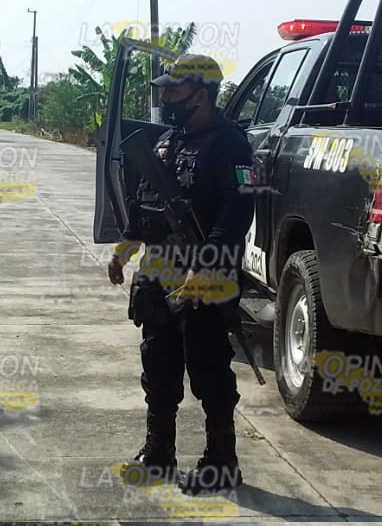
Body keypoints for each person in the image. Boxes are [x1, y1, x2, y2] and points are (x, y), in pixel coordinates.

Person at [105, 54, 255, 495]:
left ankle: (221, 462)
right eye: (165, 90)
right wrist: (124, 248)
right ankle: (159, 452)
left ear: (202, 95)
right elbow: (144, 203)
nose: (166, 97)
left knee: (208, 368)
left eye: (174, 90)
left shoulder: (230, 144)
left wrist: (205, 264)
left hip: (204, 273)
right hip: (158, 270)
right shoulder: (167, 141)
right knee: (158, 363)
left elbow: (237, 211)